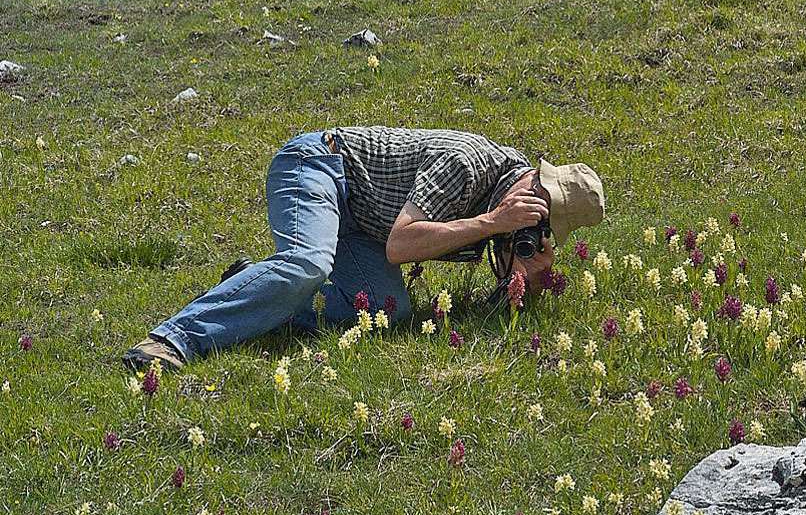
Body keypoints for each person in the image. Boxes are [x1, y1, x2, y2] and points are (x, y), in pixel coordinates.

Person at [122, 127, 605, 369]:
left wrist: (530, 273)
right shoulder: (470, 165)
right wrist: (489, 221)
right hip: (319, 167)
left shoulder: (508, 211)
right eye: (538, 202)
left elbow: (505, 293)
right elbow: (400, 246)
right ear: (531, 181)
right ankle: (171, 340)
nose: (532, 218)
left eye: (546, 223)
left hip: (362, 224)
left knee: (386, 311)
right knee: (308, 264)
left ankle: (252, 289)